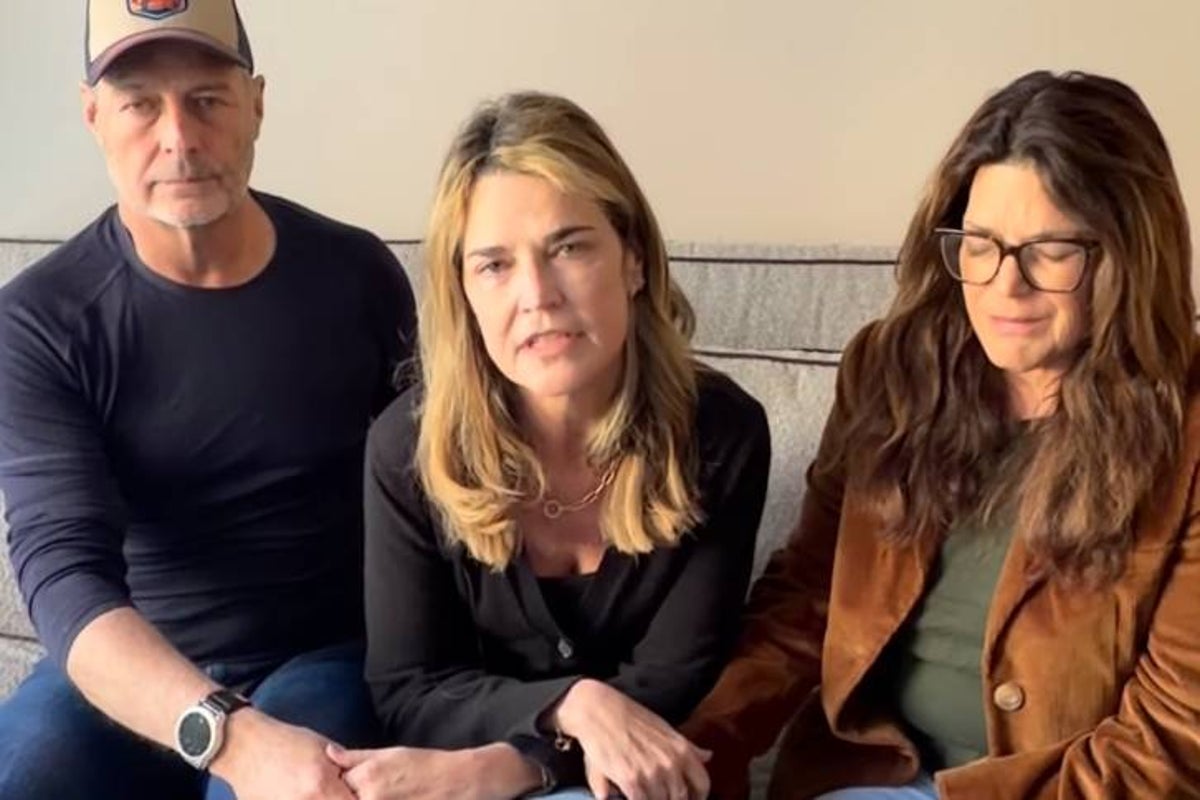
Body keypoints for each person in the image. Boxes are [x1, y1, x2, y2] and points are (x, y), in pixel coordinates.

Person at [681, 70, 1200, 799]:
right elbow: (808, 596)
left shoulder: (1187, 433)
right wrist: (697, 748)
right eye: (980, 244)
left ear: (1128, 257)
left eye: (1050, 250)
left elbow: (1169, 743)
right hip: (867, 781)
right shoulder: (891, 373)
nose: (1004, 286)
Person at [0, 2, 416, 799]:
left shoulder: (357, 274)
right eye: (139, 104)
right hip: (134, 664)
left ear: (256, 103)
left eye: (207, 99)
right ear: (93, 116)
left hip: (325, 655)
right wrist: (232, 736)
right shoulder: (40, 321)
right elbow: (63, 572)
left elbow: (434, 489)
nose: (179, 138)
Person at [323, 91, 771, 800]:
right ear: (463, 292)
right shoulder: (407, 448)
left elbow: (678, 681)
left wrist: (517, 764)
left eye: (568, 247)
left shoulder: (721, 434)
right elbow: (409, 687)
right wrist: (573, 705)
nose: (536, 295)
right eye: (494, 265)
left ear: (633, 259)